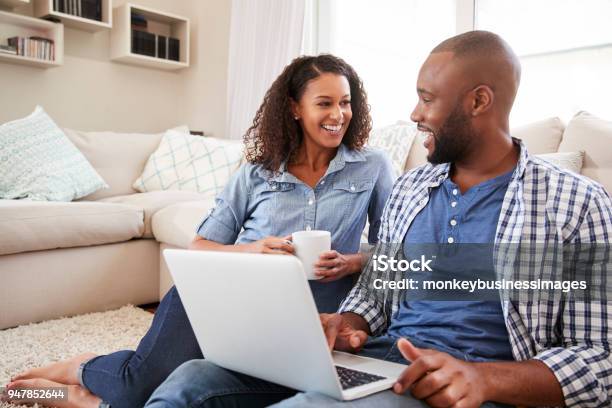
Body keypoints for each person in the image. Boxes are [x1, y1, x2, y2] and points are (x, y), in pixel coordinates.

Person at [144, 31, 612, 408]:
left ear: (479, 101)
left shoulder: (576, 203)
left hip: (461, 383)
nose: (414, 114)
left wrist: (483, 379)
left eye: (427, 99)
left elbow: (601, 359)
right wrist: (346, 322)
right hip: (384, 357)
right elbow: (377, 292)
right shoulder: (412, 189)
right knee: (192, 382)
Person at [5, 54, 395, 408]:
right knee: (134, 387)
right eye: (324, 103)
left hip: (303, 319)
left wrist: (353, 262)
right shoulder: (257, 174)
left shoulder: (372, 166)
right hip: (223, 299)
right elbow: (199, 246)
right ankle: (82, 369)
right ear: (295, 108)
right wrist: (253, 250)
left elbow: (396, 251)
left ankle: (82, 400)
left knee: (170, 397)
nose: (338, 114)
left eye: (345, 102)